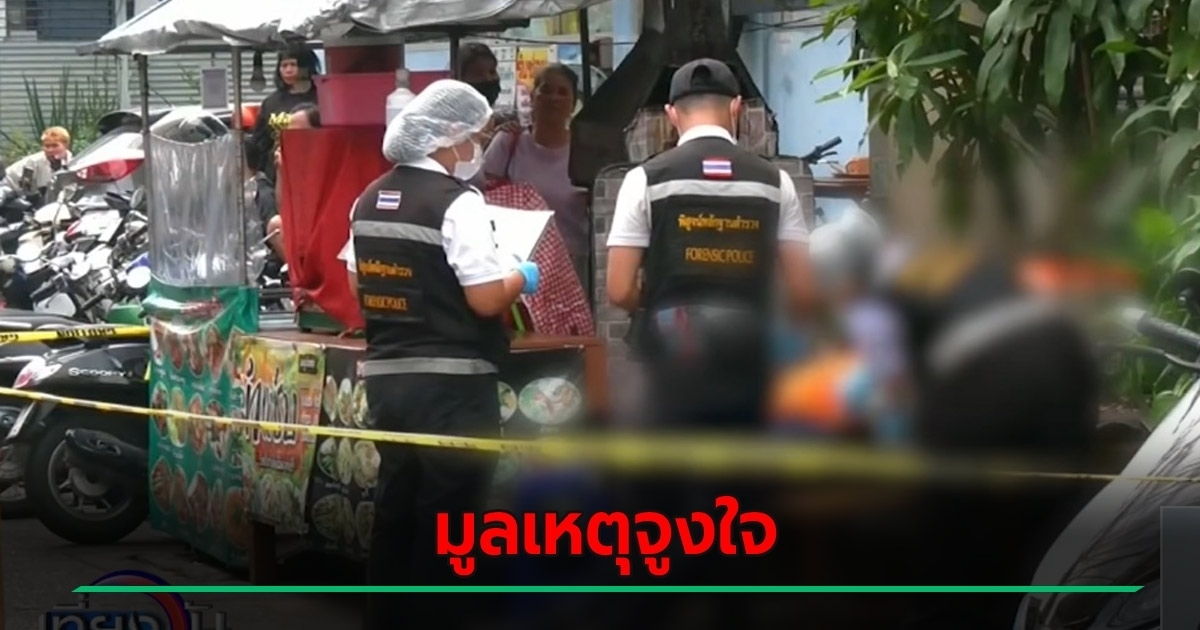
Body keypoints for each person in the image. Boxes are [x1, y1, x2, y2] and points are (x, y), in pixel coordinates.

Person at [339, 79, 539, 630]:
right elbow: (484, 299)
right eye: (474, 135)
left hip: (389, 382)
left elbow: (358, 285)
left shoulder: (368, 197)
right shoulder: (458, 202)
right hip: (453, 386)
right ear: (449, 136)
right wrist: (519, 276)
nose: (476, 147)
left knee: (396, 507)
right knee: (451, 519)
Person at [605, 58, 813, 430]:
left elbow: (619, 290)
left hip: (669, 360)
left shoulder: (644, 180)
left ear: (671, 114)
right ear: (736, 107)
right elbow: (802, 290)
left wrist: (667, 304)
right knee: (740, 461)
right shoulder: (775, 182)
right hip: (749, 359)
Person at [482, 63, 590, 279]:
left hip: (572, 265)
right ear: (532, 97)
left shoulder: (586, 151)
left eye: (562, 92)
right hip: (517, 265)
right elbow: (480, 196)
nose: (554, 98)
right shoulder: (508, 142)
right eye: (546, 90)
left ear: (573, 104)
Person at [247, 43, 320, 182]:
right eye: (284, 65)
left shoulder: (321, 98)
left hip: (313, 168)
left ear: (306, 66)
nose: (288, 70)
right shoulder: (271, 103)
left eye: (293, 65)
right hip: (276, 174)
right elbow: (259, 141)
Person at [3, 126, 71, 194]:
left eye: (54, 146)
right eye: (47, 146)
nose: (50, 150)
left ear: (66, 145)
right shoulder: (33, 162)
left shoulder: (72, 163)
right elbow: (24, 188)